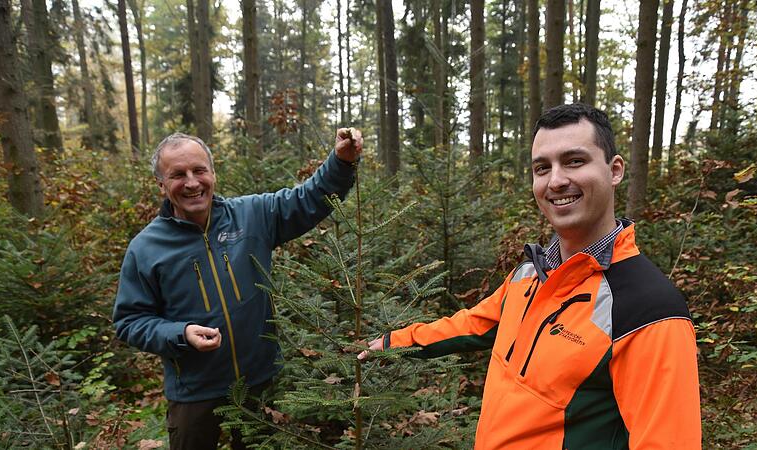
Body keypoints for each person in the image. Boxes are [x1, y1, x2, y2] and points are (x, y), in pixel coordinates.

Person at [360, 104, 701, 449]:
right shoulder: (530, 274)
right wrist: (394, 343)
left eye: (574, 161)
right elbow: (473, 325)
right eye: (542, 168)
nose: (556, 181)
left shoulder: (647, 309)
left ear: (614, 171)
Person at [114, 129, 362, 450]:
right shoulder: (146, 248)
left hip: (259, 382)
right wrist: (181, 333)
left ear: (213, 174)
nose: (191, 183)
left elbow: (309, 199)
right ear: (161, 185)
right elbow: (129, 322)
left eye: (199, 170)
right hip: (194, 393)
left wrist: (342, 161)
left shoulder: (252, 215)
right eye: (178, 175)